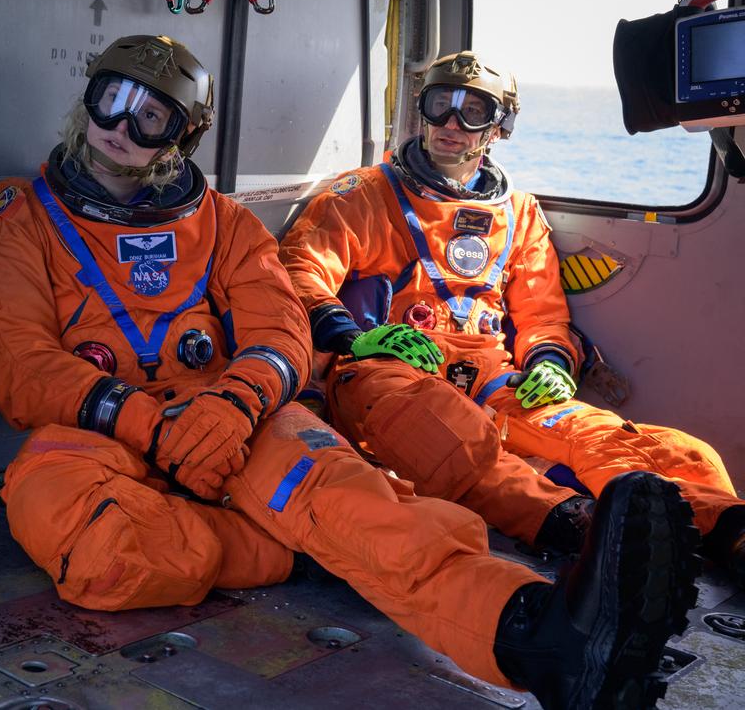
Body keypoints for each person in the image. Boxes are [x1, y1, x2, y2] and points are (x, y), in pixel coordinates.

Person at [0, 34, 700, 709]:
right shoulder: (20, 215)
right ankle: (288, 548)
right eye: (111, 100)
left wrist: (236, 402)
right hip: (97, 429)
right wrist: (143, 422)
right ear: (88, 97)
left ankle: (542, 637)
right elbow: (19, 365)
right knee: (95, 548)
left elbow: (280, 329)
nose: (119, 128)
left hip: (231, 418)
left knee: (362, 505)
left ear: (181, 136)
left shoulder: (223, 222)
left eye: (150, 116)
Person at [280, 50, 745, 579]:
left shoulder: (518, 213)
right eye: (440, 105)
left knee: (633, 443)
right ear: (420, 111)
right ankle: (581, 525)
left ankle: (726, 528)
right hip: (387, 372)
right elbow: (299, 274)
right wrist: (356, 337)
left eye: (472, 111)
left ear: (498, 128)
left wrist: (549, 362)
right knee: (446, 440)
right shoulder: (362, 195)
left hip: (493, 382)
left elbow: (542, 313)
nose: (451, 123)